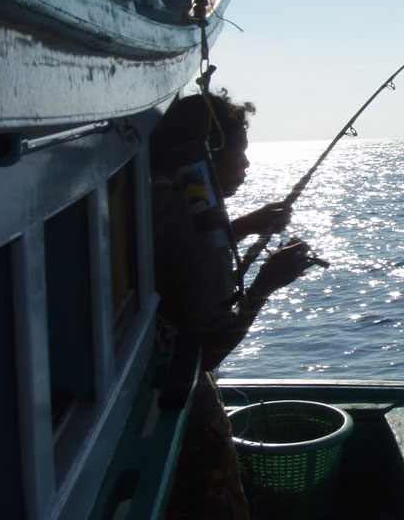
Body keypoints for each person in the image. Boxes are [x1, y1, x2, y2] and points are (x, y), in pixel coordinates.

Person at [150, 89, 317, 520]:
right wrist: (265, 285)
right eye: (239, 153)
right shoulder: (198, 225)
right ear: (207, 153)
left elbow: (176, 268)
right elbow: (206, 353)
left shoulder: (158, 198)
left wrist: (244, 225)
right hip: (184, 417)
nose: (246, 165)